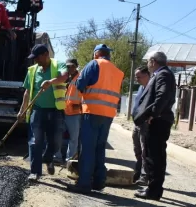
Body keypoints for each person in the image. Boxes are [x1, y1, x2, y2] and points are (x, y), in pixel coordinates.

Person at [51, 44, 123, 193]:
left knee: (87, 148)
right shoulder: (116, 71)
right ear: (108, 54)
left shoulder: (94, 64)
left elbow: (80, 83)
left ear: (96, 53)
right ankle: (99, 181)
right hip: (108, 114)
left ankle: (84, 183)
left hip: (92, 111)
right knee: (99, 148)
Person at [18, 44, 67, 182]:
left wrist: (51, 82)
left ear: (46, 54)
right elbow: (27, 92)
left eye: (37, 57)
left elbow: (64, 77)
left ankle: (48, 157)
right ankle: (35, 172)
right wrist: (22, 110)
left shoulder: (58, 65)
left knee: (56, 142)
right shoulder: (32, 70)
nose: (35, 61)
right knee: (35, 141)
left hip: (56, 111)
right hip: (38, 110)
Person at [133, 51, 176, 200]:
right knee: (153, 155)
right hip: (158, 120)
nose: (147, 65)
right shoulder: (162, 73)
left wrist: (153, 114)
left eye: (148, 62)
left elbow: (162, 96)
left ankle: (154, 190)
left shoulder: (163, 74)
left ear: (152, 61)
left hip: (158, 121)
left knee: (154, 156)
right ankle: (153, 188)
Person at [131, 66, 151, 185]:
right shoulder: (140, 88)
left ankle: (145, 177)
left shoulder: (151, 88)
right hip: (137, 123)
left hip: (145, 124)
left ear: (147, 75)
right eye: (136, 77)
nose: (136, 79)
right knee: (137, 149)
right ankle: (138, 173)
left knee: (145, 151)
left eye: (138, 77)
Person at [62, 59, 83, 161]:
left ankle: (70, 159)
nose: (70, 68)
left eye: (72, 66)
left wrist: (79, 106)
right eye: (68, 66)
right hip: (64, 111)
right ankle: (57, 157)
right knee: (59, 136)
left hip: (75, 113)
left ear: (76, 66)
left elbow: (85, 94)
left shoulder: (80, 78)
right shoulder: (66, 78)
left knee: (74, 139)